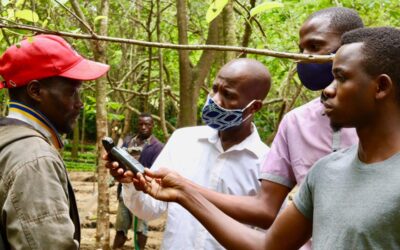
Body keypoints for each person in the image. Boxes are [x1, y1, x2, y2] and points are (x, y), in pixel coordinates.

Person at [137, 26, 400, 249]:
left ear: (381, 87)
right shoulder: (325, 172)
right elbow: (267, 245)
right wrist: (184, 193)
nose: (327, 91)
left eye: (341, 78)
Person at [107, 58, 271, 249]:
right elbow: (148, 210)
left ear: (254, 107)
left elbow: (271, 237)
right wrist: (132, 185)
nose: (215, 100)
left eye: (228, 94)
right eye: (215, 89)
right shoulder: (183, 141)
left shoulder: (268, 163)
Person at [0, 35, 109, 249]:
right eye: (72, 92)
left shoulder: (7, 138)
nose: (80, 104)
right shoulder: (35, 159)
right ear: (35, 91)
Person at [112, 113, 164, 250]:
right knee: (121, 227)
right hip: (125, 190)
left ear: (152, 126)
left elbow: (157, 171)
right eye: (141, 124)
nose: (144, 127)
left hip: (144, 193)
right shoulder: (129, 141)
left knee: (141, 228)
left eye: (147, 124)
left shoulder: (157, 147)